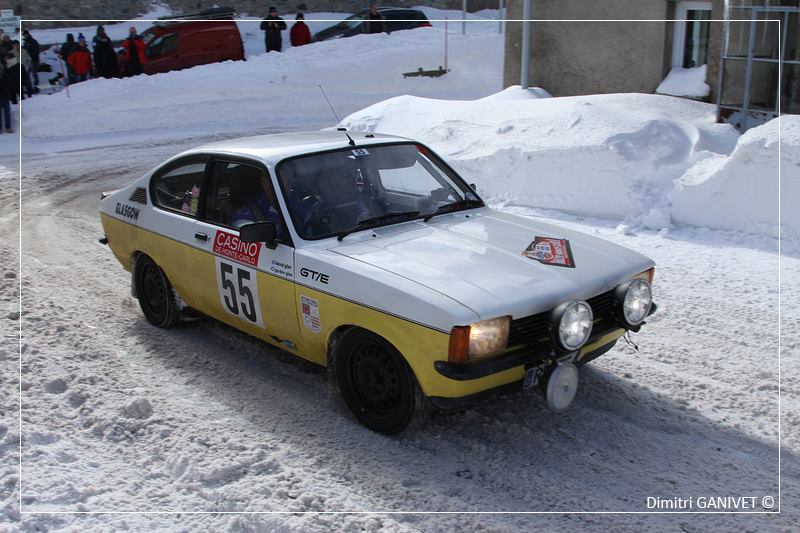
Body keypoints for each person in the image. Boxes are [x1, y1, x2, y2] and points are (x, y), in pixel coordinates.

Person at [0, 55, 14, 132]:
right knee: (6, 112)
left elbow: (9, 84)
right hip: (4, 95)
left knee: (7, 112)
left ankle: (8, 127)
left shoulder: (5, 75)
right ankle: (7, 128)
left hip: (5, 95)